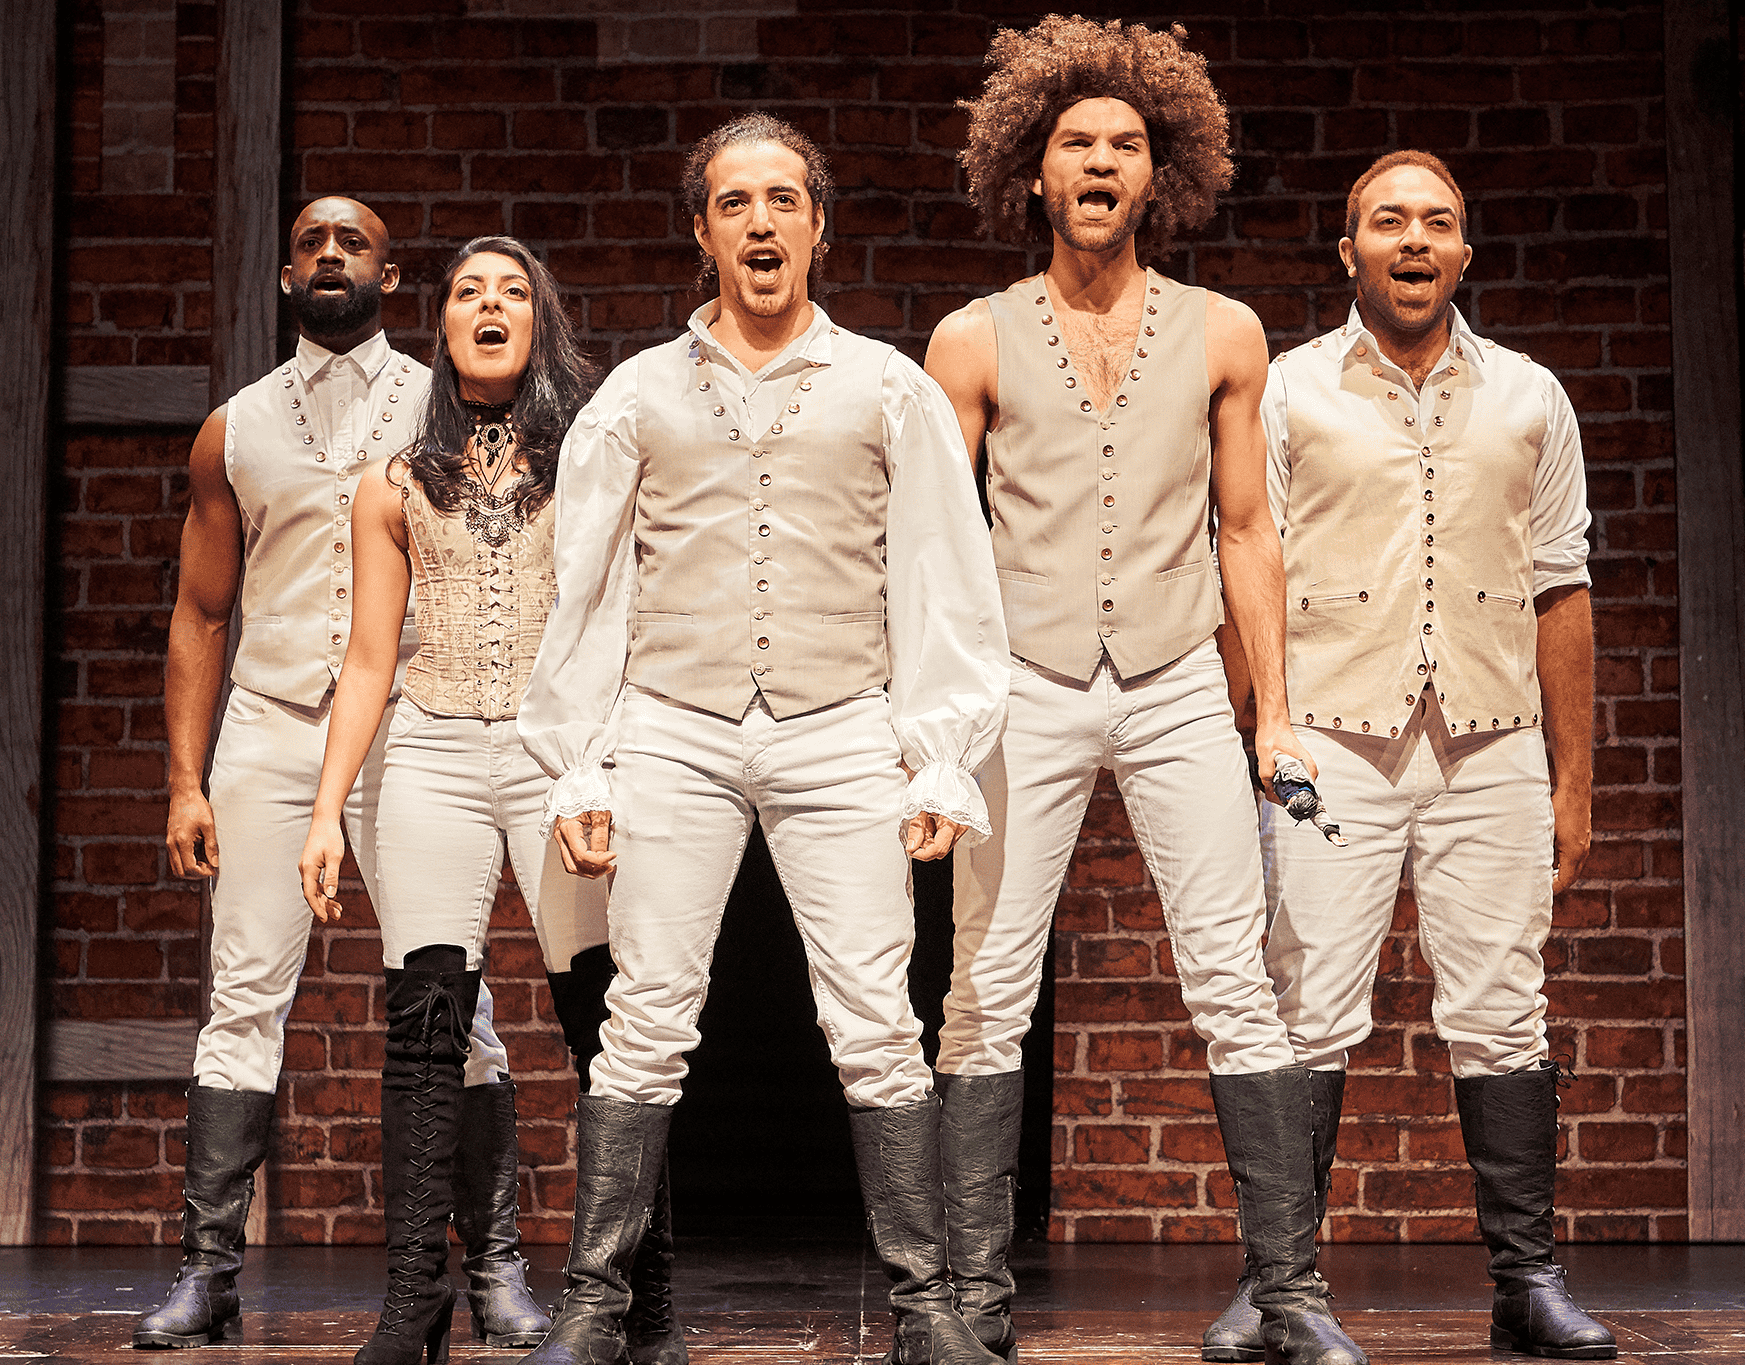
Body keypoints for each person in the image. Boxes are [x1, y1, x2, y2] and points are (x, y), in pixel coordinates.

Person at [514, 113, 1012, 1365]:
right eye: (734, 203)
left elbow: (943, 573)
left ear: (817, 227)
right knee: (646, 1015)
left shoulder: (886, 386)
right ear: (703, 231)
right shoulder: (638, 394)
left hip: (839, 723)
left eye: (782, 199)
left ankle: (924, 1308)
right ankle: (594, 1304)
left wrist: (939, 750)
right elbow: (586, 588)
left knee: (876, 1020)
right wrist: (581, 760)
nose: (760, 222)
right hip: (671, 726)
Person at [924, 17, 1357, 1365]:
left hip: (1171, 677)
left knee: (1234, 977)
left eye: (1123, 144)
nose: (1100, 162)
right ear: (1033, 171)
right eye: (1075, 144)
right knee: (986, 982)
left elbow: (1246, 530)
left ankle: (1288, 1294)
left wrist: (1270, 711)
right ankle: (973, 1296)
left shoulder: (1223, 332)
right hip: (1022, 680)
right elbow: (930, 548)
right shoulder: (971, 339)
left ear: (1158, 173)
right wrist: (934, 728)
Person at [1216, 150, 1615, 1362]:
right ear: (1349, 253)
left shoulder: (1529, 397)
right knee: (1303, 1007)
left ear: (1462, 254)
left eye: (1435, 223)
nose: (1412, 239)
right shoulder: (1288, 391)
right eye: (1387, 222)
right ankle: (1275, 1287)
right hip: (1330, 741)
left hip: (1488, 743)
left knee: (1502, 1007)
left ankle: (1526, 1281)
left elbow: (1562, 589)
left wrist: (1573, 782)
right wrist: (1252, 734)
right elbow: (1244, 565)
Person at [137, 198, 531, 1352]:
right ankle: (208, 1273)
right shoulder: (234, 429)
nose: (327, 255)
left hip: (408, 719)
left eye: (350, 243)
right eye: (309, 242)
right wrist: (185, 780)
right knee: (242, 994)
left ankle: (494, 1266)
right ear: (283, 274)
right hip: (270, 723)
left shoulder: (443, 403)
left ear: (390, 276)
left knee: (453, 999)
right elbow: (200, 610)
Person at [297, 236, 607, 1363]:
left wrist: (606, 767)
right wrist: (326, 809)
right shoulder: (394, 482)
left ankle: (627, 1294)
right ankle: (413, 1296)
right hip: (429, 747)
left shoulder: (590, 460)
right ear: (443, 326)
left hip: (554, 751)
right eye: (469, 290)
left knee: (605, 1025)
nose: (489, 304)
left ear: (540, 321)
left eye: (513, 291)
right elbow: (368, 657)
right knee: (425, 1024)